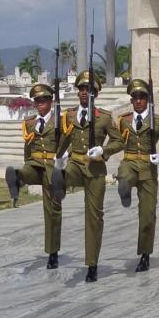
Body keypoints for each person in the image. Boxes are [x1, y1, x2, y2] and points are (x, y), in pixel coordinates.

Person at [104, 79, 159, 273]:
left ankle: (145, 254)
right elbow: (116, 141)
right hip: (129, 163)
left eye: (142, 97)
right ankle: (124, 188)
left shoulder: (158, 121)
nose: (138, 101)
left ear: (148, 99)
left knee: (147, 216)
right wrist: (103, 151)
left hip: (148, 169)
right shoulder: (123, 120)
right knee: (124, 174)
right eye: (134, 97)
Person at [57, 70, 115, 282]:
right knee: (63, 175)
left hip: (95, 170)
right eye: (81, 89)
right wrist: (57, 158)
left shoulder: (105, 118)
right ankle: (59, 183)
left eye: (88, 89)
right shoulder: (70, 116)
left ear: (96, 93)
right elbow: (63, 140)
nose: (83, 92)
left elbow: (118, 141)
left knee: (94, 217)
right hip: (75, 163)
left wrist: (103, 151)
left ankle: (92, 264)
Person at [6, 83, 65, 269]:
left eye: (44, 100)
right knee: (24, 172)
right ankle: (16, 177)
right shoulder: (30, 123)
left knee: (52, 211)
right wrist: (26, 162)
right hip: (34, 163)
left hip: (52, 167)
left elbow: (67, 144)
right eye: (37, 100)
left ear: (51, 101)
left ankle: (52, 252)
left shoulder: (60, 122)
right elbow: (28, 148)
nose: (40, 103)